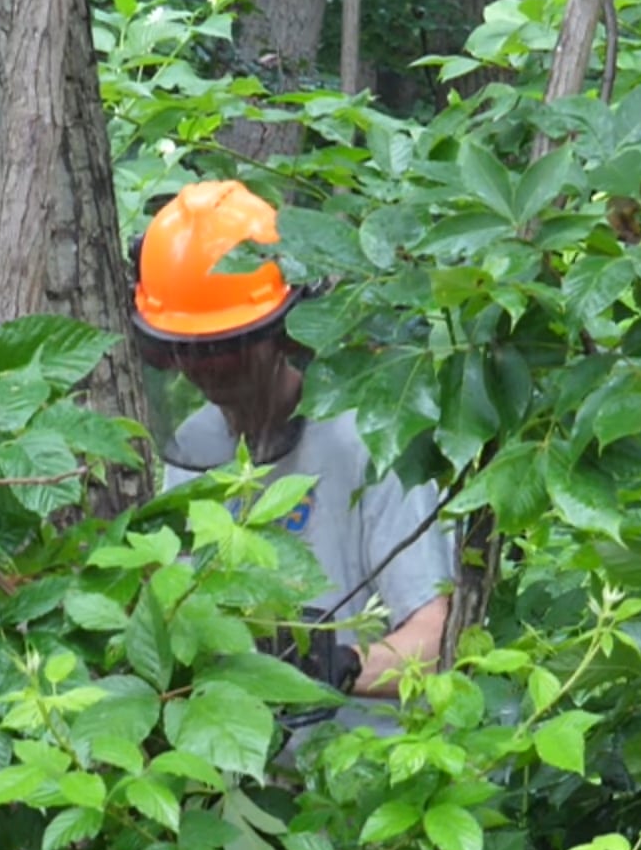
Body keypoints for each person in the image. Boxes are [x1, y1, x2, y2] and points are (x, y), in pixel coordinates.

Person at [131, 180, 452, 700]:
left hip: (363, 762)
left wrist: (339, 667)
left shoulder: (369, 438)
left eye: (227, 346)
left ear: (281, 331)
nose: (206, 369)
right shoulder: (194, 444)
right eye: (186, 350)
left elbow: (438, 638)